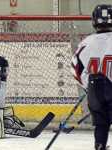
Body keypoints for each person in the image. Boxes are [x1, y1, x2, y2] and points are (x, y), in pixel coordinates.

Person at [71, 4, 112, 150]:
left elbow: (75, 69)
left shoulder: (85, 43)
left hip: (95, 91)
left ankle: (100, 146)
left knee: (101, 125)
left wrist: (89, 85)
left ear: (94, 20)